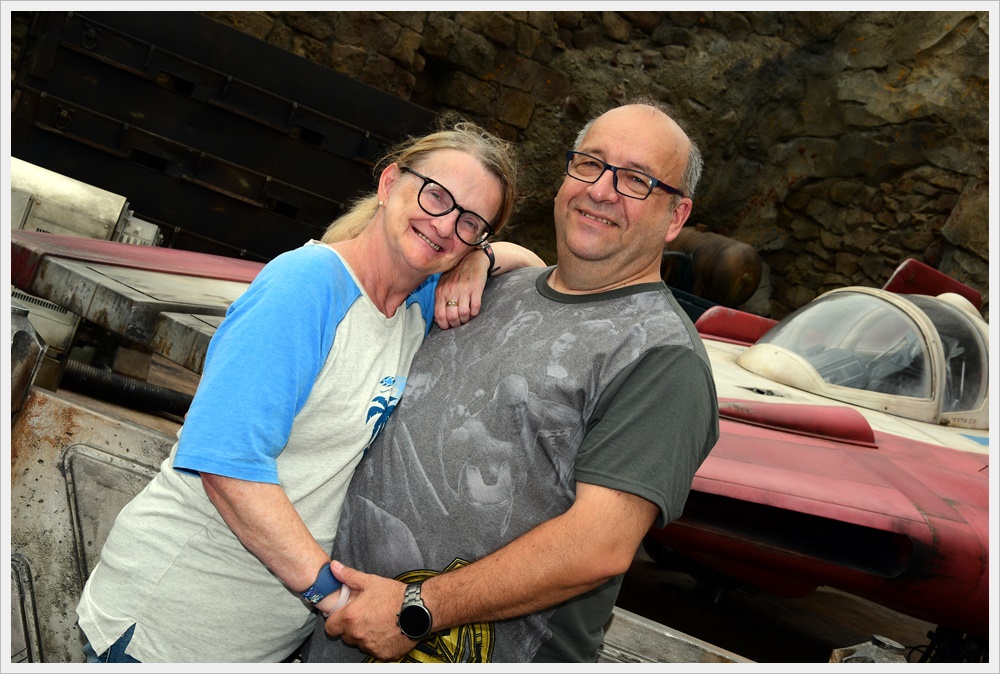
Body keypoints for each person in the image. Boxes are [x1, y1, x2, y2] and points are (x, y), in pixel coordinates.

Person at [74, 116, 544, 663]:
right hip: (172, 624)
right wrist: (335, 597)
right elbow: (227, 464)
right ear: (390, 182)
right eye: (436, 196)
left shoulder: (413, 306)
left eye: (470, 222)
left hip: (252, 642)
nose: (444, 226)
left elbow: (536, 267)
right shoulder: (306, 286)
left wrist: (482, 260)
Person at [304, 99, 720, 663]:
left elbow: (598, 546)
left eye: (636, 180)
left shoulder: (662, 358)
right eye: (590, 164)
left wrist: (416, 610)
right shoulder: (493, 287)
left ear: (675, 216)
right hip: (340, 636)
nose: (602, 190)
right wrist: (484, 256)